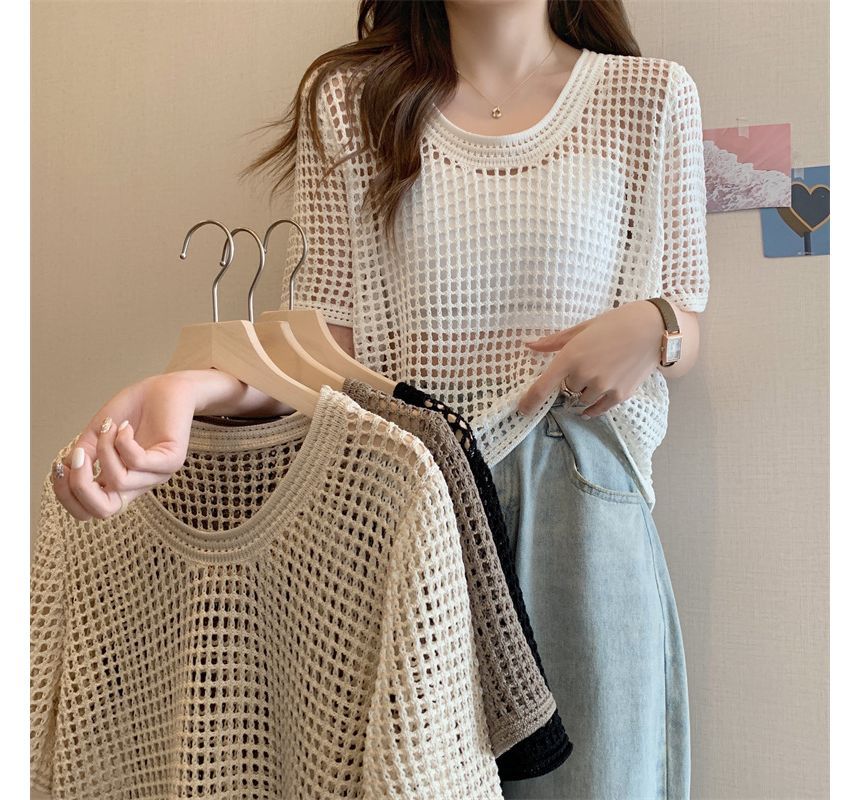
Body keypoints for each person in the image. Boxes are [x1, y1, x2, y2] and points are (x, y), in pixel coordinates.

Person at [48, 1, 709, 798]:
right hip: (409, 506)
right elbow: (321, 360)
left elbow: (685, 311)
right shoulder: (352, 103)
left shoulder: (649, 96)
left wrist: (656, 326)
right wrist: (189, 387)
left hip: (582, 508)